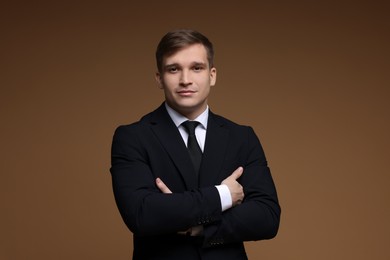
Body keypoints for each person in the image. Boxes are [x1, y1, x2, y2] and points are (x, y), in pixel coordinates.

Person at [110, 29, 281, 260]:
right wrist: (223, 195)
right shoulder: (132, 137)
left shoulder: (242, 136)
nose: (185, 80)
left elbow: (267, 217)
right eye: (174, 69)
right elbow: (142, 214)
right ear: (159, 78)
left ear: (212, 75)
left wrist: (198, 227)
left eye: (196, 68)